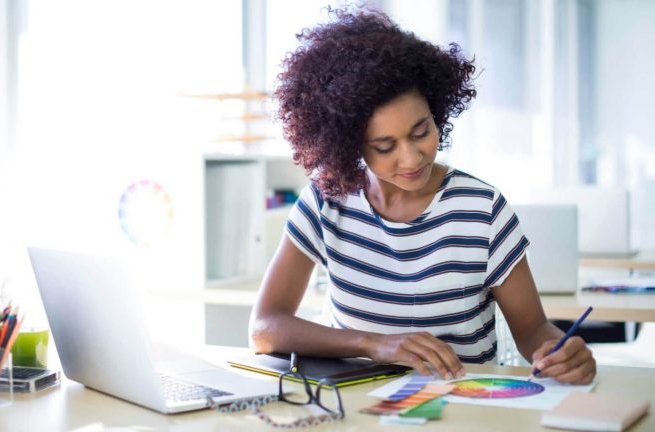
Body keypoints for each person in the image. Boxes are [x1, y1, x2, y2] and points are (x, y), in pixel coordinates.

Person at [249, 7, 596, 384]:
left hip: (463, 405)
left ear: (437, 112)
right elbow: (266, 327)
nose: (412, 158)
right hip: (352, 408)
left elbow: (532, 331)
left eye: (420, 132)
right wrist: (375, 344)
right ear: (349, 144)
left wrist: (562, 354)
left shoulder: (482, 209)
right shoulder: (325, 203)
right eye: (385, 146)